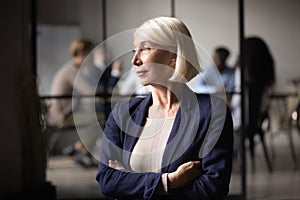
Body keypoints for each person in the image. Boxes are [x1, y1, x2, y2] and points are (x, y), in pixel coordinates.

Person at [96, 16, 233, 199]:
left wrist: (130, 183)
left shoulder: (212, 112)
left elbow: (212, 188)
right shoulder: (123, 112)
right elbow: (107, 181)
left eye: (145, 49)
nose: (134, 60)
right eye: (134, 51)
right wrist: (169, 182)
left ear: (173, 55)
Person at [230, 37, 276, 171]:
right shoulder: (266, 72)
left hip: (239, 122)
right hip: (257, 121)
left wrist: (230, 103)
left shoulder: (242, 70)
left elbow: (237, 100)